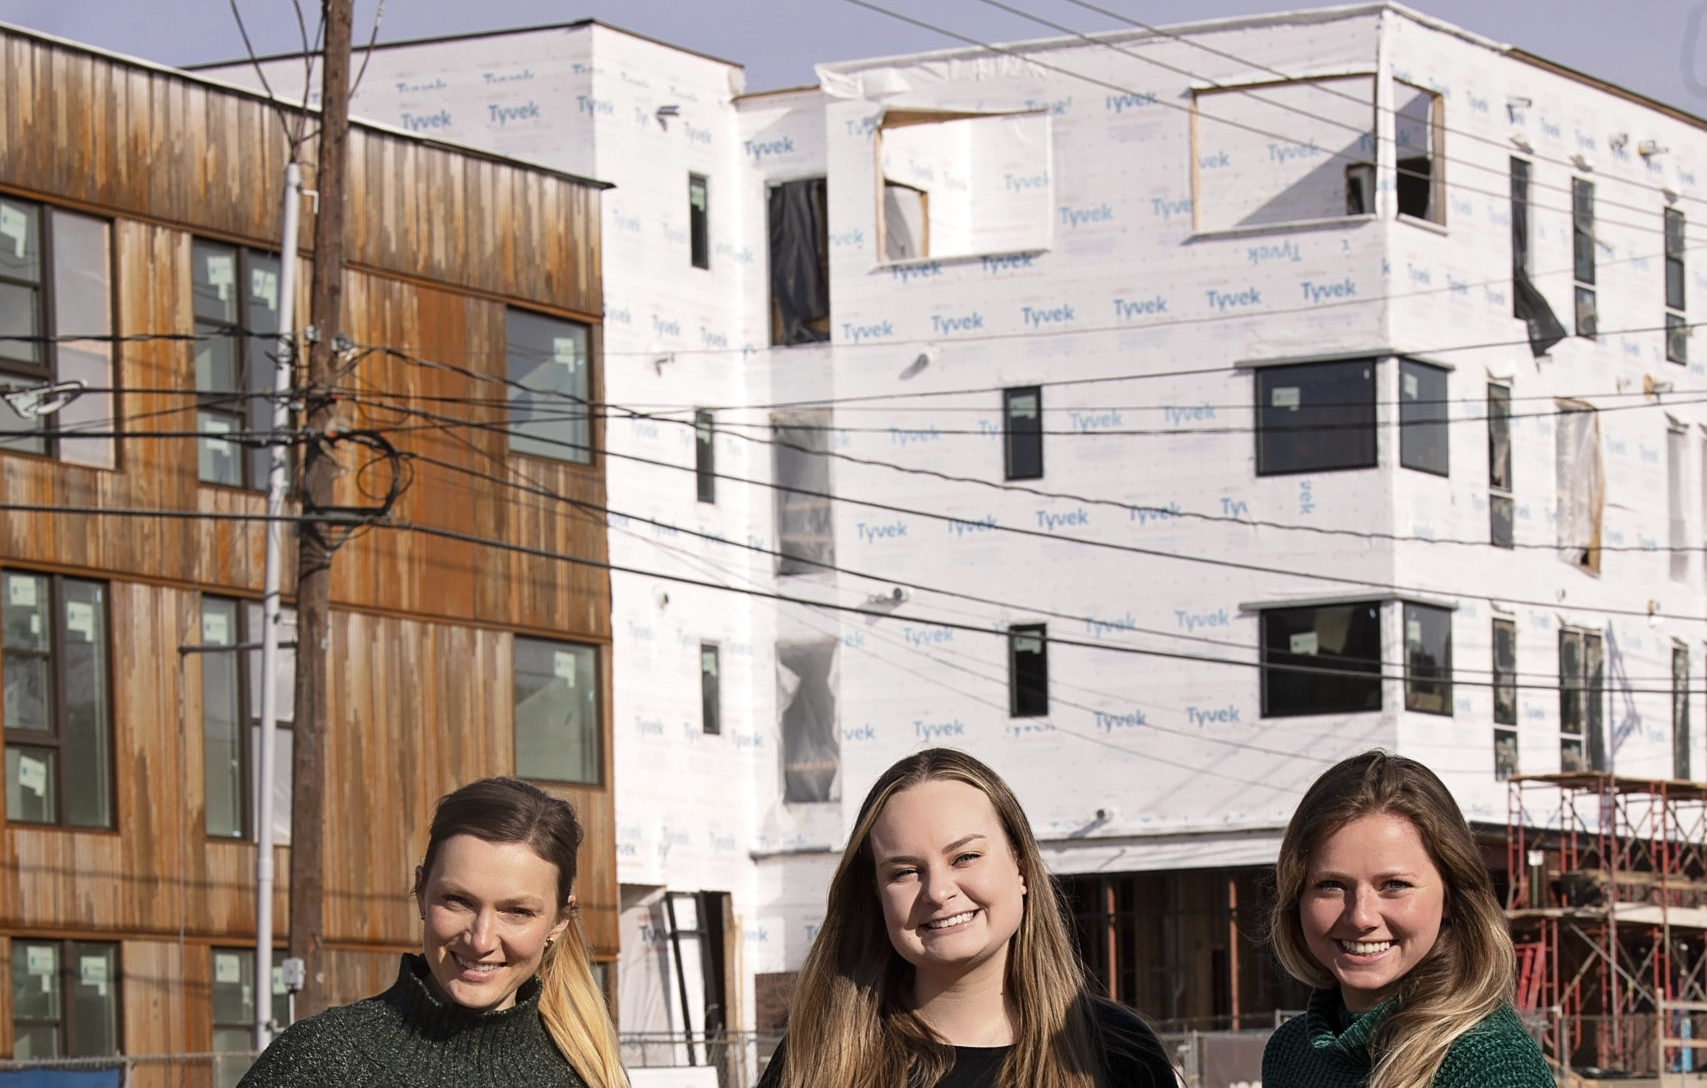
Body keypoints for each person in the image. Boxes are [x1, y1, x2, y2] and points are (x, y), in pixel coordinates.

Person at [760, 747, 1177, 1088]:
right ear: (875, 894)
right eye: (904, 871)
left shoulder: (1119, 1053)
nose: (938, 891)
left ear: (1021, 867)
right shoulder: (819, 1057)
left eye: (966, 857)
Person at [239, 777, 626, 1088]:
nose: (481, 939)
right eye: (458, 900)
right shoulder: (320, 1061)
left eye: (517, 911)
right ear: (421, 892)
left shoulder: (585, 1075)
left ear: (559, 921)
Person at [1262, 751, 1554, 1088]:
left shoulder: (1490, 1064)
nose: (1361, 917)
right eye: (1331, 885)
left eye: (1394, 885)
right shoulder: (1290, 1053)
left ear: (1452, 896)